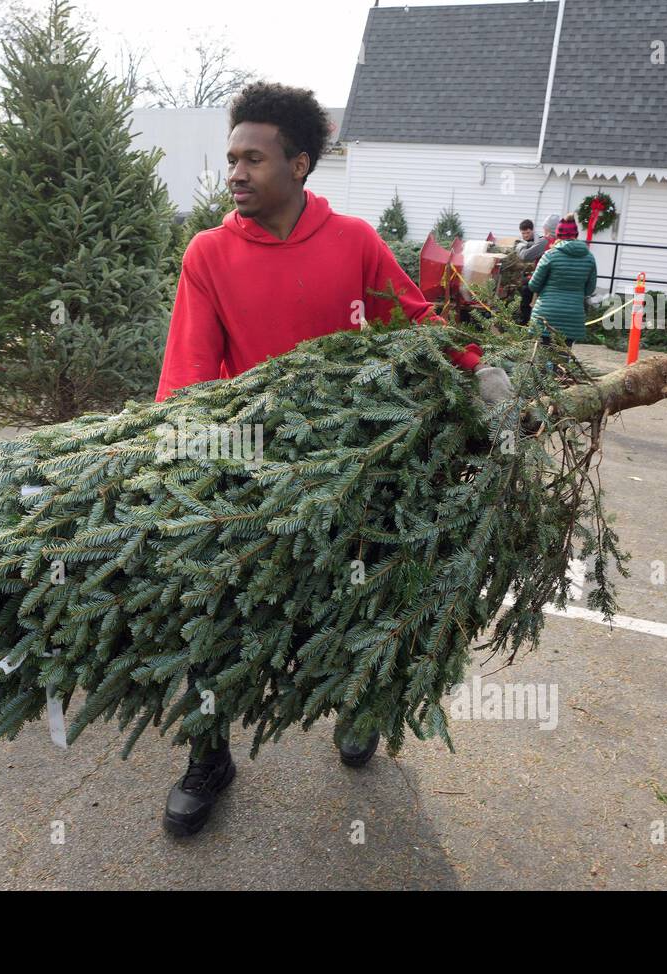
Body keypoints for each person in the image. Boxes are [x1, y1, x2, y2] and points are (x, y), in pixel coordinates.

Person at [154, 81, 514, 837]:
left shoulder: (352, 242)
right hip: (249, 469)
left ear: (301, 164)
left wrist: (479, 369)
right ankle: (208, 753)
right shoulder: (209, 254)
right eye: (231, 159)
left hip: (359, 461)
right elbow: (187, 373)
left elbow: (414, 324)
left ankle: (362, 704)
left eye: (254, 158)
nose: (237, 172)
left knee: (365, 597)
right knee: (213, 616)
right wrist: (178, 456)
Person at [528, 215, 597, 354]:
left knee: (542, 361)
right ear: (576, 235)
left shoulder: (550, 255)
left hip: (546, 315)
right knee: (562, 362)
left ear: (558, 235)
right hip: (572, 317)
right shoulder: (589, 257)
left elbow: (534, 285)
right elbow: (589, 289)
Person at [513, 215, 558, 324]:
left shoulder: (545, 241)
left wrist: (520, 245)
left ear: (546, 228)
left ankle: (525, 322)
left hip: (543, 279)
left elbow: (525, 256)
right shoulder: (561, 242)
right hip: (557, 279)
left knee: (524, 287)